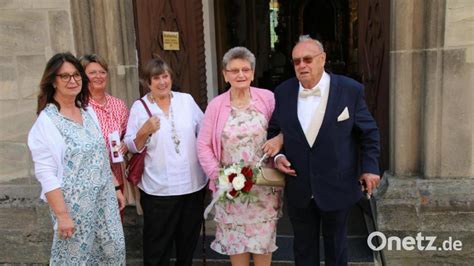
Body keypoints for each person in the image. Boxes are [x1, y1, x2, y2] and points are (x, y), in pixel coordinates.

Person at [267, 35, 381, 266]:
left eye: (307, 59)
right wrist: (278, 156)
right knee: (303, 250)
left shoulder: (350, 89)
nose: (302, 65)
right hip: (299, 185)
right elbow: (275, 129)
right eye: (296, 61)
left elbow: (369, 133)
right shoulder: (283, 91)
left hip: (338, 184)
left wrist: (370, 168)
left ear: (322, 59)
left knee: (337, 250)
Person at [27, 52, 125, 264]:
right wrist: (62, 215)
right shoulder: (46, 123)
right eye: (65, 76)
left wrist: (116, 187)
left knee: (114, 251)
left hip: (104, 200)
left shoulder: (88, 112)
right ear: (53, 81)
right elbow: (46, 173)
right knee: (77, 259)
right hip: (73, 207)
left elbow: (100, 155)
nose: (73, 80)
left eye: (76, 75)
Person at [197, 47, 284, 266]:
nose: (240, 75)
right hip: (230, 188)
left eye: (245, 69)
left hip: (263, 187)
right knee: (237, 246)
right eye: (234, 70)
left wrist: (279, 140)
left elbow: (286, 129)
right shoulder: (216, 105)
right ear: (225, 74)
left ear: (253, 73)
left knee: (263, 245)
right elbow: (203, 145)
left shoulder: (268, 99)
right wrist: (219, 177)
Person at [124, 57, 206, 266]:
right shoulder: (139, 107)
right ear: (147, 82)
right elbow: (132, 145)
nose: (162, 82)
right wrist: (144, 131)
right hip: (159, 190)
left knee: (187, 245)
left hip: (192, 186)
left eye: (165, 76)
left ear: (170, 77)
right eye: (156, 78)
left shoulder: (185, 100)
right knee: (157, 248)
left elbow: (205, 131)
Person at [79, 54, 129, 215]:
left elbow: (127, 135)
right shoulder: (79, 107)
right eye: (92, 73)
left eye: (102, 72)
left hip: (116, 176)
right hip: (90, 179)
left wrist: (125, 146)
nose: (98, 76)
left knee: (116, 225)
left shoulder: (118, 105)